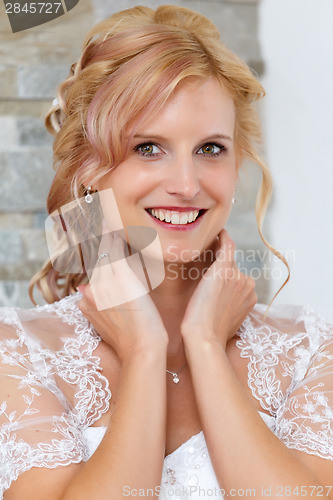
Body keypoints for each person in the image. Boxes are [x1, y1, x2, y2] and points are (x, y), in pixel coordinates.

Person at [1, 4, 333, 499]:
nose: (185, 184)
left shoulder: (311, 349)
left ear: (238, 164)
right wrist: (143, 352)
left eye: (210, 149)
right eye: (148, 147)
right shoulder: (19, 353)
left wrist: (204, 343)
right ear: (91, 169)